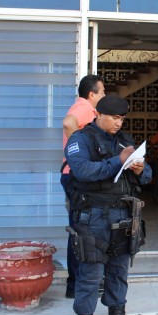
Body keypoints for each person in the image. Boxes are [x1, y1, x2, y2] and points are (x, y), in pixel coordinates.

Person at [64, 95, 151, 315]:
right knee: (90, 276)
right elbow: (82, 171)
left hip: (122, 216)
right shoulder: (81, 139)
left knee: (118, 272)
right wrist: (118, 160)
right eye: (114, 117)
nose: (118, 122)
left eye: (122, 118)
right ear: (98, 114)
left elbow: (147, 176)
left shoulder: (125, 140)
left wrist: (140, 169)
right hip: (93, 217)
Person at [61, 75, 105, 299]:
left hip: (71, 175)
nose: (103, 96)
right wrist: (81, 152)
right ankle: (77, 282)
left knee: (78, 229)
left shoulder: (82, 106)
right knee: (81, 231)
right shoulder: (85, 107)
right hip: (76, 177)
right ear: (91, 94)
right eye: (102, 92)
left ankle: (75, 283)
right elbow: (68, 123)